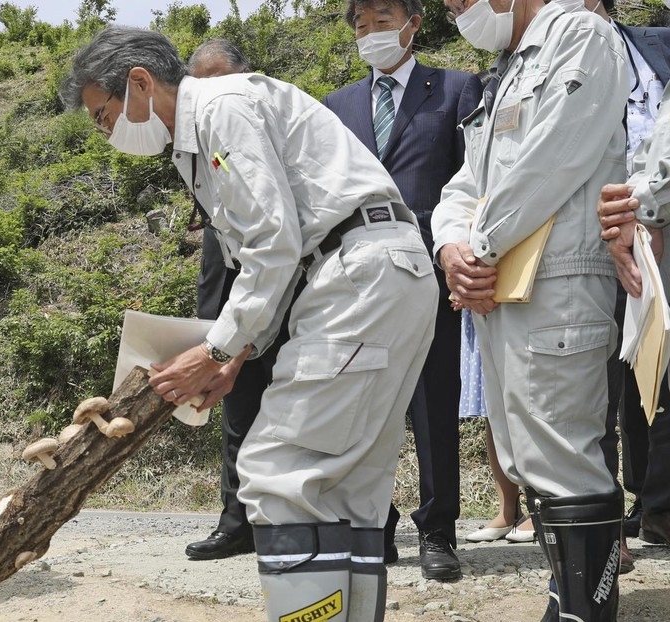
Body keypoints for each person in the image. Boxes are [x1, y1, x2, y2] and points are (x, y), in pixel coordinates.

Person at [62, 26, 438, 622]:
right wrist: (237, 355)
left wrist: (213, 350)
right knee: (349, 493)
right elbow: (272, 256)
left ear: (139, 82)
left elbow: (271, 244)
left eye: (104, 116)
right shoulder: (202, 133)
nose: (105, 133)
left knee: (274, 473)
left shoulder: (221, 108)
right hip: (376, 273)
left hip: (355, 275)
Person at [432, 0, 629, 619]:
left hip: (558, 277)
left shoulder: (580, 34)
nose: (455, 9)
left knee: (562, 446)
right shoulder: (506, 69)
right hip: (501, 283)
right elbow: (465, 183)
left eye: (462, 0)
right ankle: (564, 599)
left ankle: (587, 610)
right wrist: (450, 247)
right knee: (526, 454)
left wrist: (479, 247)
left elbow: (554, 157)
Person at [322, 0, 483, 580]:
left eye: (382, 21)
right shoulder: (335, 106)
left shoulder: (458, 89)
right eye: (361, 26)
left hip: (432, 270)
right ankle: (374, 525)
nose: (370, 33)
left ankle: (438, 530)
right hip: (358, 277)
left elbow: (474, 181)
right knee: (363, 405)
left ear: (413, 23)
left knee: (433, 401)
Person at [183, 39, 263, 562]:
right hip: (227, 288)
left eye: (223, 80)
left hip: (283, 283)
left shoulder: (257, 124)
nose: (214, 94)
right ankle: (235, 524)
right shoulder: (194, 142)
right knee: (236, 412)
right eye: (203, 84)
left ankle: (298, 524)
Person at [596, 0, 670, 560]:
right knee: (611, 378)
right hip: (597, 236)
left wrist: (649, 214)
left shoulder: (657, 43)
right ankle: (612, 510)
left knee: (661, 365)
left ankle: (657, 504)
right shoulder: (531, 65)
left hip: (653, 228)